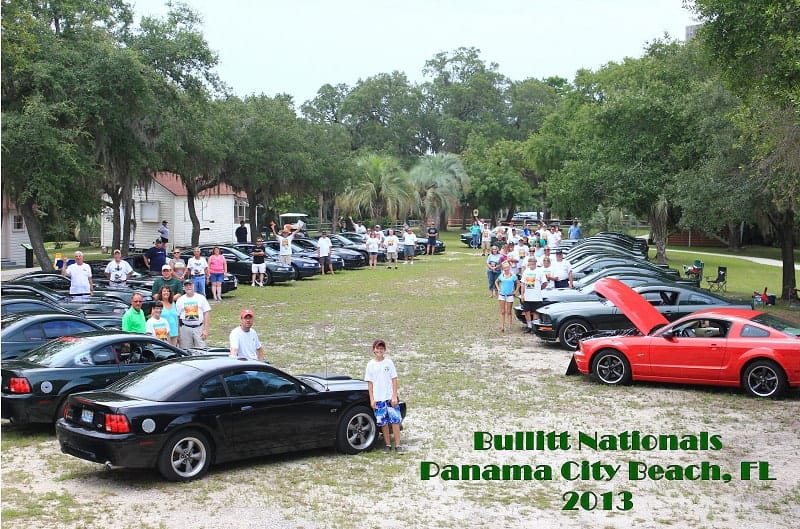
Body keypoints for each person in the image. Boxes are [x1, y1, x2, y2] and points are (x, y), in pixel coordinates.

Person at [364, 339, 403, 454]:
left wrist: (394, 395)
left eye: (382, 348)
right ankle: (387, 444)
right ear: (373, 350)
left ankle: (398, 445)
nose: (379, 350)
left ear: (384, 350)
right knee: (383, 423)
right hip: (378, 398)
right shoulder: (370, 365)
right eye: (377, 348)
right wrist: (372, 399)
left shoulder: (389, 363)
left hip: (390, 397)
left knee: (395, 421)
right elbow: (370, 383)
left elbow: (394, 379)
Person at [176, 279, 211, 348]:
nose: (188, 287)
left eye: (190, 285)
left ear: (193, 286)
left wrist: (205, 330)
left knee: (202, 350)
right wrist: (178, 333)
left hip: (199, 328)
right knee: (186, 351)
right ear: (184, 287)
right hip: (185, 329)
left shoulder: (201, 298)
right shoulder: (180, 300)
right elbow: (177, 317)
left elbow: (206, 313)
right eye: (186, 285)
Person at [519, 257, 548, 333]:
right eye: (530, 263)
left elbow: (545, 283)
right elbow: (522, 283)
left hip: (536, 296)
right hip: (527, 295)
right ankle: (529, 326)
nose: (531, 264)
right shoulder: (526, 271)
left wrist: (540, 288)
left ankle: (534, 328)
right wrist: (522, 294)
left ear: (535, 263)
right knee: (526, 311)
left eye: (533, 263)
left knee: (535, 312)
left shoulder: (540, 271)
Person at [494, 261, 519, 333]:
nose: (506, 269)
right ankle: (502, 326)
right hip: (502, 295)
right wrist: (498, 289)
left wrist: (515, 291)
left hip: (510, 295)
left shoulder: (513, 275)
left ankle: (509, 325)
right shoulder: (501, 275)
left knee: (509, 311)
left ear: (509, 267)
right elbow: (496, 282)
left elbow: (518, 283)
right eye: (504, 267)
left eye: (507, 267)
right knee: (502, 311)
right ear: (503, 268)